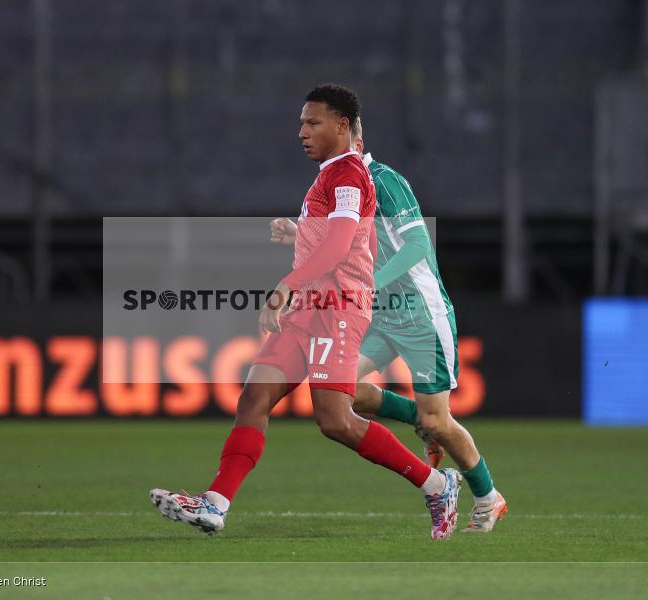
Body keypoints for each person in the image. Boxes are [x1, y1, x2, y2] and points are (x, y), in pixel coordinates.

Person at [151, 84, 462, 541]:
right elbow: (350, 240)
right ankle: (215, 504)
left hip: (336, 310)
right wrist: (300, 236)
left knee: (335, 421)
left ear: (342, 126)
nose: (302, 131)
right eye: (301, 122)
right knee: (254, 398)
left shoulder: (350, 174)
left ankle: (437, 486)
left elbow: (339, 246)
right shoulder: (331, 176)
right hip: (312, 307)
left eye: (312, 122)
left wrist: (285, 285)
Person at [269, 117, 507, 533]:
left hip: (420, 317)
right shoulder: (340, 187)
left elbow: (416, 243)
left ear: (354, 139)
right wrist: (300, 232)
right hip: (378, 317)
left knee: (438, 422)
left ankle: (488, 497)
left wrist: (369, 284)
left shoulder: (384, 180)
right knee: (347, 394)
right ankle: (419, 419)